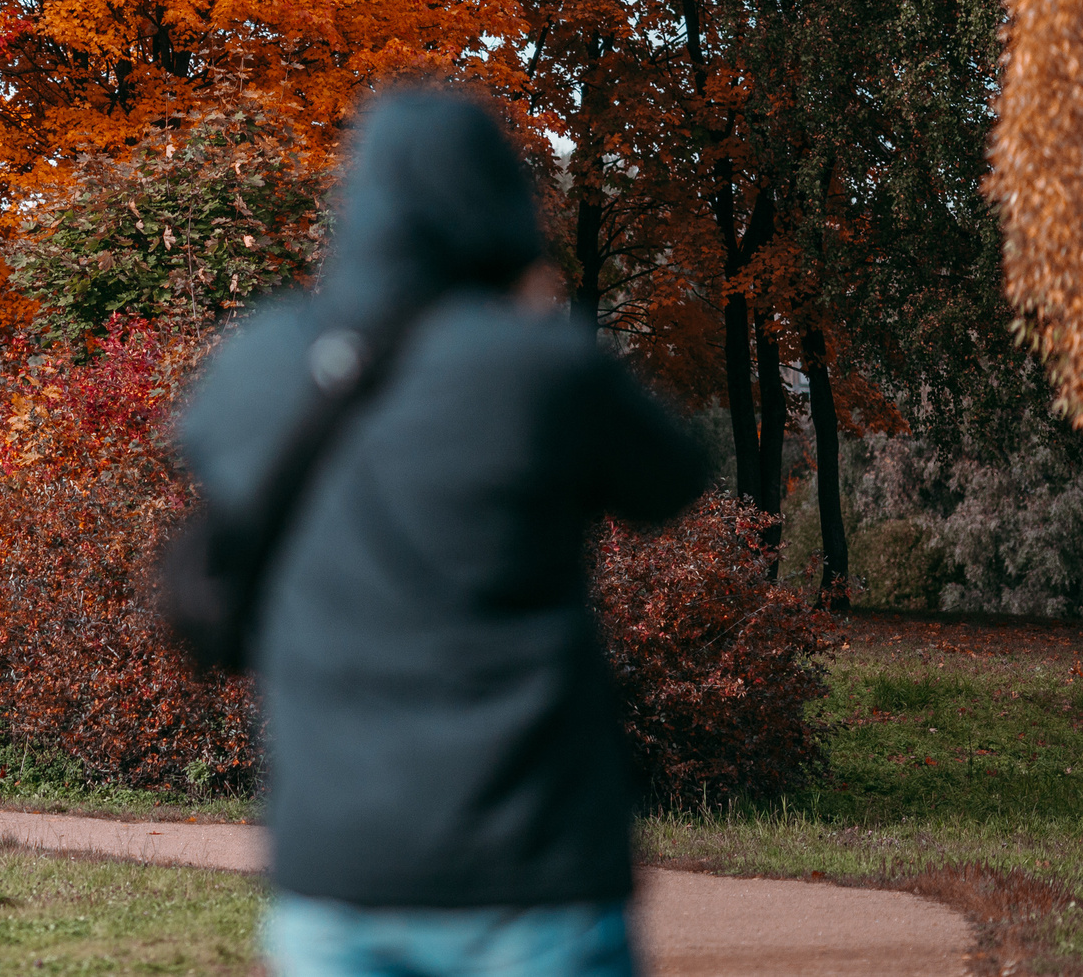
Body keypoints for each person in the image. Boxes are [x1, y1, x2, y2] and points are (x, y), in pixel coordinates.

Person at [176, 88, 707, 977]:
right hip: (532, 863)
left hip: (335, 869)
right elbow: (674, 477)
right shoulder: (541, 367)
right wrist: (537, 316)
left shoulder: (261, 365)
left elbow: (206, 465)